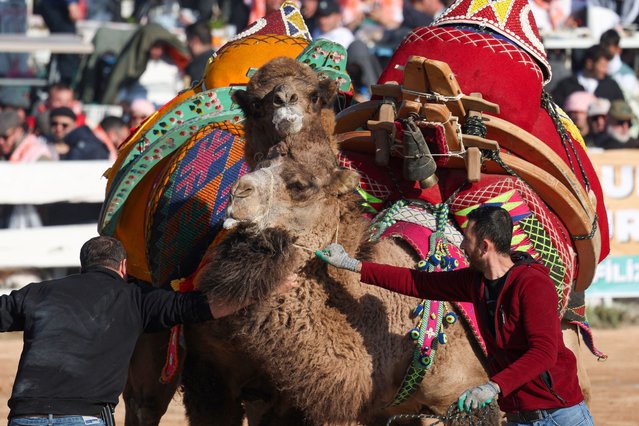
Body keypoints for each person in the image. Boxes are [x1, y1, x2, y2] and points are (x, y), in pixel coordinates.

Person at [316, 206, 594, 425]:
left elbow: (544, 352)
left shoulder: (533, 285)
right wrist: (353, 265)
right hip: (518, 418)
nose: (461, 246)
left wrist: (493, 387)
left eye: (467, 240)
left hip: (558, 416)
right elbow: (419, 283)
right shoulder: (477, 281)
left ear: (485, 247)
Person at [0, 235, 297, 425]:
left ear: (83, 266)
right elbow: (204, 307)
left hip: (27, 415)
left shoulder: (37, 294)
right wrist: (265, 288)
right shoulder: (136, 300)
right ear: (123, 268)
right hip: (85, 417)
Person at [552, 43, 624, 108]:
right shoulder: (566, 86)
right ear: (589, 63)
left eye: (607, 66)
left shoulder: (611, 86)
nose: (605, 70)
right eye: (603, 66)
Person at [184, 21, 214, 85]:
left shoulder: (195, 67)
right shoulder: (220, 57)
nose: (186, 44)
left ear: (195, 41)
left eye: (187, 40)